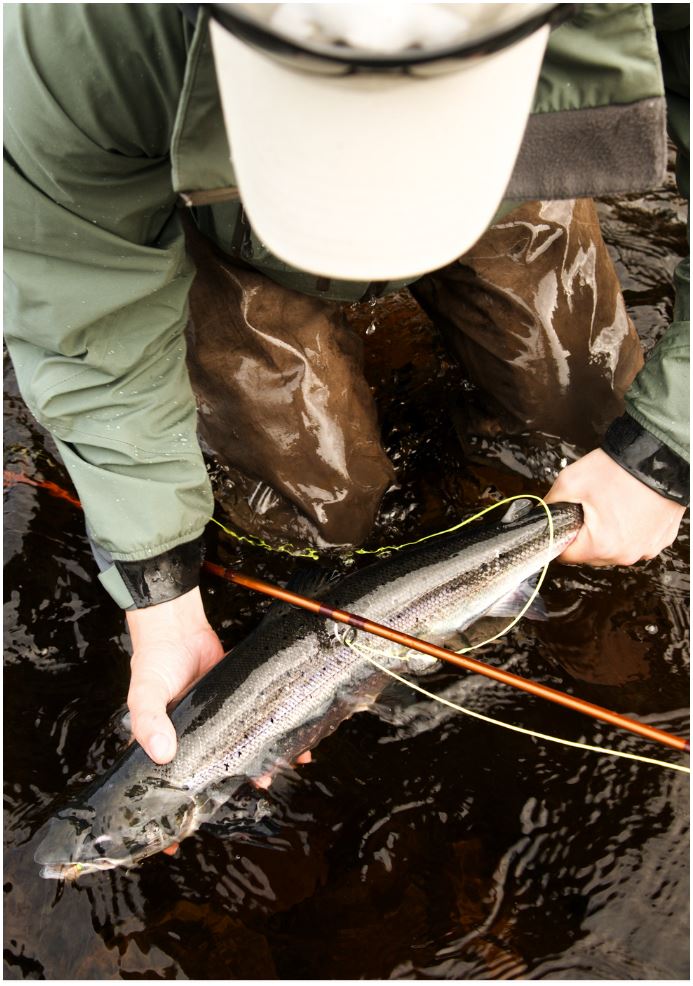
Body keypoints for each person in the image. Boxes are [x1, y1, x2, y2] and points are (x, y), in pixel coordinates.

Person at [4, 4, 688, 767]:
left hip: (511, 148)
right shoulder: (82, 39)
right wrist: (157, 593)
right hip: (231, 211)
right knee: (317, 514)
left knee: (588, 416)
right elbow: (84, 311)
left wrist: (662, 453)